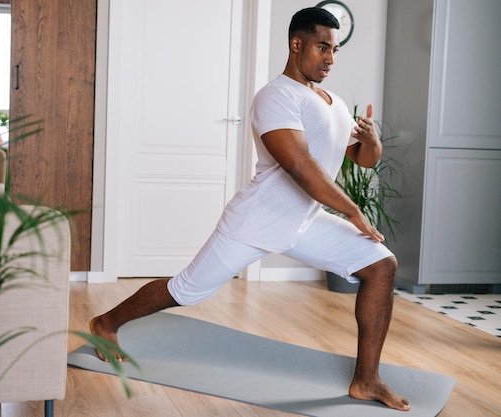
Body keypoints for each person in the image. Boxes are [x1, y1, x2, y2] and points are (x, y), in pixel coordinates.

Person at [90, 7, 410, 412]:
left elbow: (363, 160)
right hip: (258, 219)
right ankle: (106, 323)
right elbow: (300, 167)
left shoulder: (334, 102)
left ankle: (366, 380)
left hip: (306, 221)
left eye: (335, 49)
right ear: (297, 44)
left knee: (381, 266)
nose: (330, 57)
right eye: (322, 47)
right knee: (186, 290)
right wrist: (352, 210)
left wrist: (371, 139)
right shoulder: (275, 97)